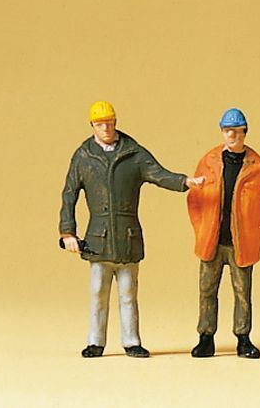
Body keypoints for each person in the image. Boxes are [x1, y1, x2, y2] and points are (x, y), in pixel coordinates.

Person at [59, 100, 203, 358]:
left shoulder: (133, 153)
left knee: (128, 293)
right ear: (92, 125)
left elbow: (159, 174)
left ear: (116, 122)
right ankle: (95, 341)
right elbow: (69, 194)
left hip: (127, 238)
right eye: (100, 124)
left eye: (109, 122)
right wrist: (67, 232)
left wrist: (184, 182)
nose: (106, 128)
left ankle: (131, 341)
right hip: (98, 240)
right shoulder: (83, 156)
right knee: (98, 293)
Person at [187, 108, 260, 359]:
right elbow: (194, 200)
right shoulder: (209, 162)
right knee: (207, 289)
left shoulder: (257, 166)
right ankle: (206, 337)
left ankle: (243, 338)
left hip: (241, 243)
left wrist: (255, 236)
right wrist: (201, 230)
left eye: (236, 131)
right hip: (211, 241)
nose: (232, 135)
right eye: (227, 130)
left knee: (242, 292)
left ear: (245, 132)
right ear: (222, 132)